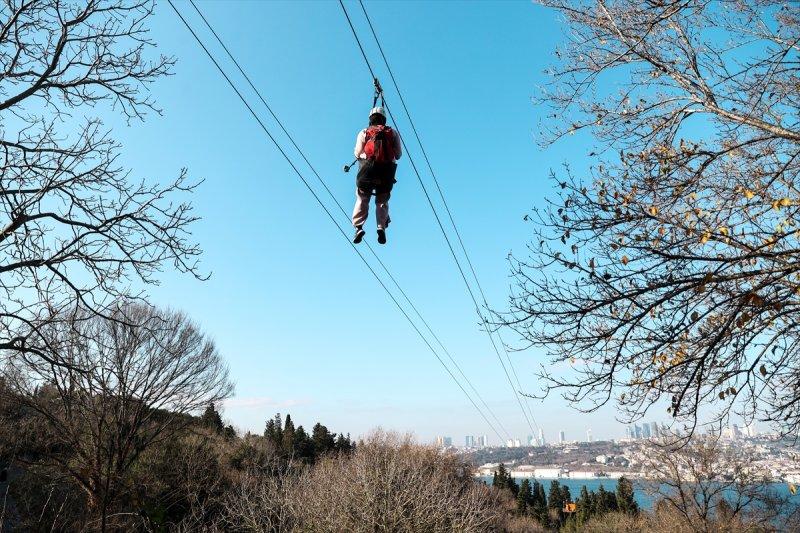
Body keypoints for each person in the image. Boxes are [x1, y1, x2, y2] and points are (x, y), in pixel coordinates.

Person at [352, 106, 401, 244]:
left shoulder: (364, 132)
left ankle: (358, 227)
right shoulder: (392, 132)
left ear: (370, 119)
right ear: (384, 119)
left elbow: (357, 153)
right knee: (382, 201)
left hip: (367, 170)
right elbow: (398, 155)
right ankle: (381, 227)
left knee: (362, 198)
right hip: (386, 172)